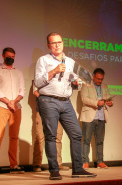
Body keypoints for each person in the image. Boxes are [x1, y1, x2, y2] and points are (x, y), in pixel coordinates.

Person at [34, 32, 96, 180]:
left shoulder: (70, 62)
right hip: (48, 101)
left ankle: (78, 169)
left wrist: (76, 83)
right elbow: (37, 82)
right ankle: (54, 171)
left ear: (63, 43)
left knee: (76, 134)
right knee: (51, 136)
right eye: (53, 43)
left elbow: (75, 83)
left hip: (66, 102)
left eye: (59, 42)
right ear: (49, 45)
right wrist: (54, 70)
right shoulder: (43, 60)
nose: (57, 45)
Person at [0, 47, 25, 173]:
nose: (11, 59)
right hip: (2, 106)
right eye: (8, 56)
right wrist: (8, 102)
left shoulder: (18, 72)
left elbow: (22, 90)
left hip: (16, 107)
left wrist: (14, 101)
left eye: (13, 57)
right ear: (3, 56)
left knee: (14, 137)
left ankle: (13, 165)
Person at [80, 68, 113, 169]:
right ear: (93, 76)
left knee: (100, 141)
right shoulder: (86, 85)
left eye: (101, 79)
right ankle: (85, 161)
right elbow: (84, 99)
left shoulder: (105, 86)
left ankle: (100, 161)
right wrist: (96, 103)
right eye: (98, 79)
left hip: (101, 116)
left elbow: (109, 98)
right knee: (86, 140)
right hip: (89, 116)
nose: (100, 81)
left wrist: (110, 103)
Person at [32, 85, 69, 172]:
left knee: (58, 137)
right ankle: (37, 164)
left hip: (58, 110)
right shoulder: (40, 75)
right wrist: (48, 100)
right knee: (40, 138)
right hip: (42, 109)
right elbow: (35, 91)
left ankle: (58, 163)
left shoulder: (60, 78)